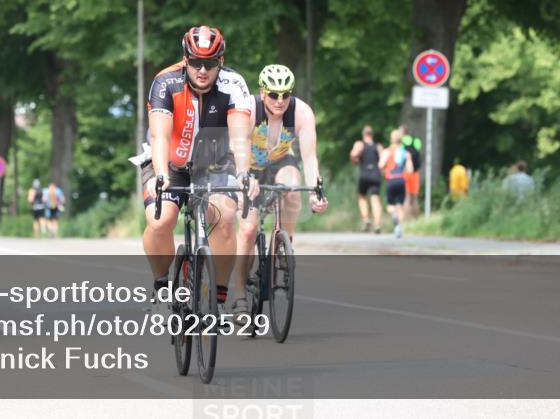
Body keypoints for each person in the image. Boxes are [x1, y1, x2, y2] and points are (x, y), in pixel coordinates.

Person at [139, 25, 258, 306]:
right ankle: (161, 286)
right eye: (195, 63)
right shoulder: (165, 82)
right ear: (185, 59)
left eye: (209, 63)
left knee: (225, 217)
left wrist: (244, 173)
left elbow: (240, 137)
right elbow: (160, 137)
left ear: (220, 61)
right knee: (160, 221)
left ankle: (218, 297)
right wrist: (160, 174)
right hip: (169, 162)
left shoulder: (234, 84)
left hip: (215, 165)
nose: (202, 70)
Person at [230, 64, 327, 316]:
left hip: (280, 162)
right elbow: (238, 146)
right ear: (263, 92)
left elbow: (309, 158)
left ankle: (284, 246)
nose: (280, 100)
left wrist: (316, 191)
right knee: (248, 229)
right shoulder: (250, 110)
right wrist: (244, 178)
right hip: (248, 166)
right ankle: (239, 293)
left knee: (292, 187)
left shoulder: (302, 112)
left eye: (286, 94)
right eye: (274, 94)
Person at [379, 129, 414, 238]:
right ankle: (399, 227)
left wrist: (384, 170)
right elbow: (410, 170)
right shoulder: (406, 153)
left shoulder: (387, 152)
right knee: (400, 206)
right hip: (401, 180)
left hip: (391, 180)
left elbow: (380, 165)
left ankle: (395, 218)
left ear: (391, 139)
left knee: (390, 206)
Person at [350, 126, 384, 233]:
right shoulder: (378, 146)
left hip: (364, 174)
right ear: (372, 134)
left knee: (362, 197)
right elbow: (383, 160)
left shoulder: (360, 144)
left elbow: (353, 154)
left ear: (363, 134)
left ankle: (366, 220)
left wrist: (355, 160)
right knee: (375, 199)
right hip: (375, 175)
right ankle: (377, 224)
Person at [399, 126, 423, 219]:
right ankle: (416, 218)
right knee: (414, 197)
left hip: (405, 172)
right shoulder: (416, 141)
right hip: (415, 173)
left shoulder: (401, 142)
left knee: (406, 197)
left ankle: (406, 219)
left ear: (402, 132)